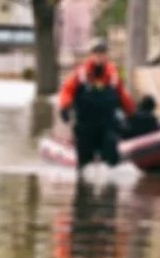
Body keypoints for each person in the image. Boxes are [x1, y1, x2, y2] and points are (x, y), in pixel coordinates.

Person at [57, 40, 135, 169]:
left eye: (102, 53)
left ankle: (110, 184)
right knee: (84, 161)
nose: (100, 56)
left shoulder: (112, 75)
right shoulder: (80, 74)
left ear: (106, 55)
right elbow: (67, 90)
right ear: (91, 55)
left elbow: (122, 96)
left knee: (111, 153)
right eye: (97, 53)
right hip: (86, 125)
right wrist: (65, 107)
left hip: (107, 124)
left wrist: (131, 114)